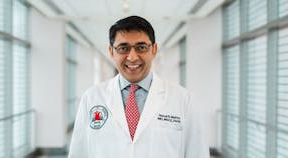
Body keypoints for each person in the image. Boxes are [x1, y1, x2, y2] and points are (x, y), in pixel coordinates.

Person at [68, 15, 210, 158]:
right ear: (111, 51)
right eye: (123, 48)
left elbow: (197, 153)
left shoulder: (183, 100)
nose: (132, 57)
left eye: (141, 47)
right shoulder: (91, 98)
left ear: (154, 49)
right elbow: (78, 153)